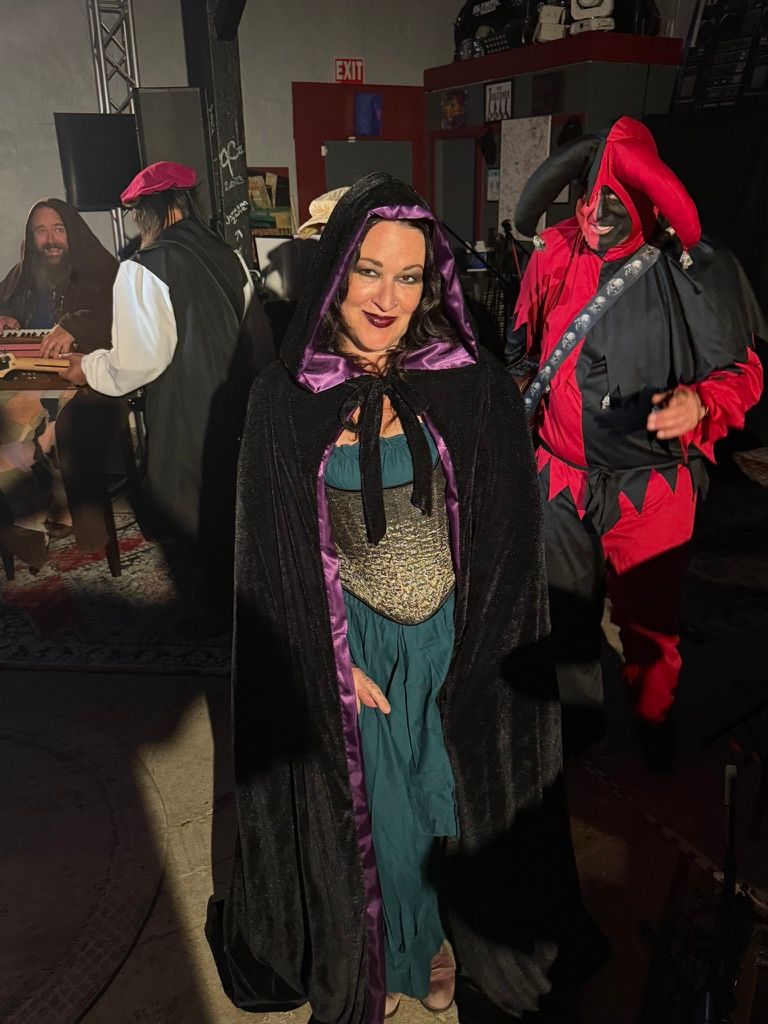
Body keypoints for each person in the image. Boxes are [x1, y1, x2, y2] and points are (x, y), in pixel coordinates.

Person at [207, 173, 604, 1024]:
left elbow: (508, 538)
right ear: (336, 271)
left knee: (448, 806)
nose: (387, 298)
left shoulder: (471, 386)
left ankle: (445, 934)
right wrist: (326, 663)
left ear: (433, 284)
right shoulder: (284, 399)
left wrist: (490, 643)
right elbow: (270, 566)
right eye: (369, 271)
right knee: (379, 814)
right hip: (355, 643)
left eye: (410, 276)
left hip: (459, 636)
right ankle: (397, 951)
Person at [511, 116, 764, 766]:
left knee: (648, 628)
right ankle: (580, 729)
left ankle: (654, 723)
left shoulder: (692, 269)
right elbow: (522, 347)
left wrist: (702, 403)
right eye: (587, 198)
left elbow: (744, 373)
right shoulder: (555, 252)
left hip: (650, 489)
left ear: (645, 202)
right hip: (561, 479)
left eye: (612, 202)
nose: (593, 215)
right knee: (566, 615)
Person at [61, 161, 274, 618]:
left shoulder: (142, 267)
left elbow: (138, 363)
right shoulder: (230, 256)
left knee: (186, 507)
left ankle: (214, 612)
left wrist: (89, 368)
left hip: (183, 408)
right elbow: (256, 340)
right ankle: (240, 601)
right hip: (233, 401)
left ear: (147, 211)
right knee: (225, 498)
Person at [0, 199, 122, 567]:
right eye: (40, 230)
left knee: (47, 428)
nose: (50, 239)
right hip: (26, 379)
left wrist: (75, 326)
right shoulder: (21, 275)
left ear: (73, 232)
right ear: (30, 237)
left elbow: (120, 317)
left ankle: (38, 508)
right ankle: (29, 514)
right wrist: (4, 316)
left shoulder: (102, 270)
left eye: (58, 229)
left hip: (86, 379)